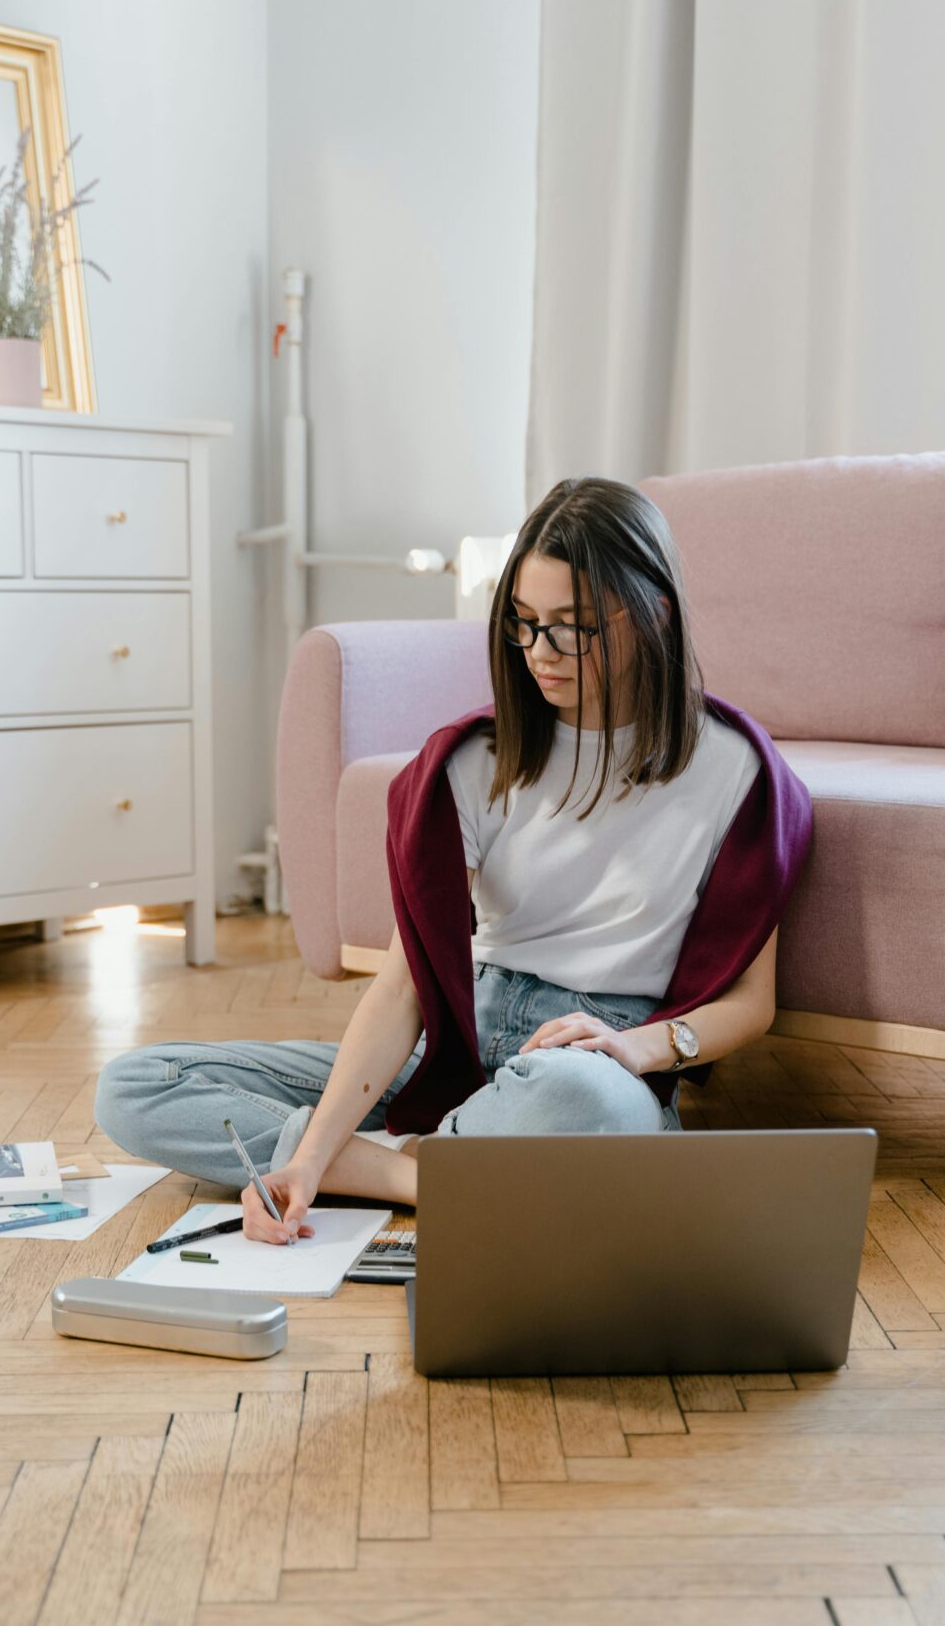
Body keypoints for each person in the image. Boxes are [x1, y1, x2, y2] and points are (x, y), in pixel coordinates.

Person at [95, 477, 804, 1246]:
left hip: (594, 1061)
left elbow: (750, 1001)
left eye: (572, 628)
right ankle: (410, 1170)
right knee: (134, 1087)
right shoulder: (477, 762)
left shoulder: (738, 773)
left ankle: (392, 1166)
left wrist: (637, 1049)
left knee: (589, 1107)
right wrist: (316, 1152)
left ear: (654, 612)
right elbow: (402, 989)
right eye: (525, 625)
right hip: (460, 1042)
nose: (541, 653)